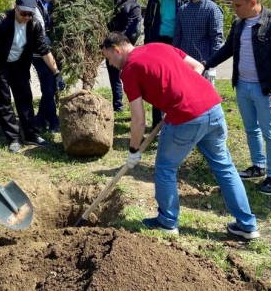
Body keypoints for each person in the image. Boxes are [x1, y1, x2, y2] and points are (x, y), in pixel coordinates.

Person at [101, 32, 260, 240]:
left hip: (186, 117)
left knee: (165, 168)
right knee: (224, 167)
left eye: (109, 58)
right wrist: (181, 92)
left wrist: (133, 150)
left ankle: (167, 222)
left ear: (117, 50)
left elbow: (139, 120)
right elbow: (197, 67)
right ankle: (247, 225)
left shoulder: (129, 70)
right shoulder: (159, 46)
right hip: (212, 107)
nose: (111, 64)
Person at [205, 0, 271, 195]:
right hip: (243, 85)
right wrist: (206, 64)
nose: (235, 9)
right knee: (251, 129)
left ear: (252, 2)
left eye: (237, 5)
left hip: (266, 88)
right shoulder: (239, 24)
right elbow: (228, 49)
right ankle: (258, 166)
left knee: (270, 133)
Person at [0, 0, 65, 153]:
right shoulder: (0, 22)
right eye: (23, 13)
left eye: (30, 13)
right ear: (15, 8)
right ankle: (13, 138)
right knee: (4, 103)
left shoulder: (34, 25)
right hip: (1, 67)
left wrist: (56, 72)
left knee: (25, 99)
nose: (27, 17)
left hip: (20, 66)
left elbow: (44, 49)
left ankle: (31, 134)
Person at [143, 0, 189, 127]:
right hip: (158, 41)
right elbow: (148, 23)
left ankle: (177, 119)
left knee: (177, 80)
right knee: (158, 80)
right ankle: (157, 122)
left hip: (178, 42)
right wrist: (147, 46)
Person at [173, 0, 223, 86]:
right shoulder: (183, 10)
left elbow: (216, 39)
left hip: (204, 65)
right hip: (184, 63)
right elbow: (177, 37)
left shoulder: (212, 10)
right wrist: (175, 59)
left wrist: (212, 66)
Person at [107, 0, 142, 111]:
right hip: (109, 45)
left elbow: (129, 29)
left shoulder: (134, 7)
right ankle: (118, 106)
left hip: (123, 47)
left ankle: (133, 106)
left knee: (127, 77)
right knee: (113, 76)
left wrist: (117, 45)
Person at [32, 0, 60, 132]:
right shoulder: (34, 5)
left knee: (50, 87)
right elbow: (40, 31)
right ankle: (54, 121)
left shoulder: (55, 4)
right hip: (40, 53)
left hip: (55, 52)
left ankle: (40, 118)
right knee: (48, 87)